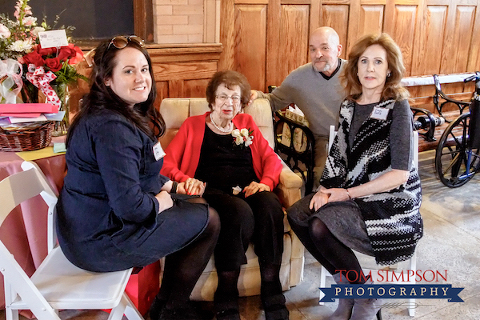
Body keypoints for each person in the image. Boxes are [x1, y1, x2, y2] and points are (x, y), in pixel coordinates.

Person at [55, 35, 220, 320]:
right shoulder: (111, 128)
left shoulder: (118, 112)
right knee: (208, 220)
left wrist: (173, 187)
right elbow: (130, 208)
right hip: (99, 241)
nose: (141, 78)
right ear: (107, 80)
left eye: (144, 69)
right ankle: (171, 309)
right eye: (128, 71)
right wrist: (162, 203)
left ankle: (166, 304)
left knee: (197, 203)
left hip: (89, 226)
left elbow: (138, 173)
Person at [287, 33, 423, 320]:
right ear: (355, 67)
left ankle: (363, 296)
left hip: (391, 202)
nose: (370, 69)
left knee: (320, 227)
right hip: (356, 193)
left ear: (389, 69)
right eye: (364, 61)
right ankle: (354, 291)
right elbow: (337, 157)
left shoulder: (397, 106)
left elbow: (399, 174)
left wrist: (345, 194)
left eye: (377, 62)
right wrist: (325, 190)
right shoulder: (349, 105)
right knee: (299, 213)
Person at [161, 70, 289, 320]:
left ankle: (272, 287)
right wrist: (186, 180)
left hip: (248, 187)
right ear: (212, 100)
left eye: (234, 98)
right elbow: (167, 164)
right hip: (211, 191)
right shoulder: (193, 125)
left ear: (241, 103)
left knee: (271, 206)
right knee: (238, 212)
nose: (228, 103)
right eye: (222, 97)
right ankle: (226, 290)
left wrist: (265, 182)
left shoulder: (247, 125)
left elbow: (270, 159)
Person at [251, 26, 347, 186]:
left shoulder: (356, 73)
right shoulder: (299, 78)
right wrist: (255, 95)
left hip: (356, 135)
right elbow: (274, 100)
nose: (318, 55)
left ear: (338, 50)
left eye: (325, 48)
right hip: (324, 139)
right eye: (313, 49)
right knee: (325, 178)